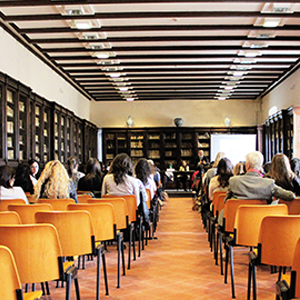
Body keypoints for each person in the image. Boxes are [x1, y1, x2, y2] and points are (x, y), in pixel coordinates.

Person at [225, 151, 296, 203]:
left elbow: (226, 202)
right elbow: (291, 196)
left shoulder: (233, 181)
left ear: (247, 165)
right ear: (260, 166)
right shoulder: (269, 183)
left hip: (237, 221)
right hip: (261, 221)